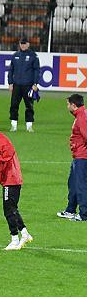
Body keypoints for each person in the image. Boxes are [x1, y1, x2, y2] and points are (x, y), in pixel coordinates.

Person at [0, 119, 33, 250]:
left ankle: (15, 239)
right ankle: (24, 234)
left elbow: (9, 152)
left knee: (8, 210)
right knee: (12, 209)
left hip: (11, 179)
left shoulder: (0, 139)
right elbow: (3, 154)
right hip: (10, 179)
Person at [58, 93, 87, 221]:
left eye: (68, 104)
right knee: (73, 184)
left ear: (74, 105)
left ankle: (84, 214)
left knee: (81, 185)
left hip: (82, 157)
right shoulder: (81, 115)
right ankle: (70, 210)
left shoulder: (81, 118)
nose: (67, 106)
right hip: (78, 155)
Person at [8, 37, 40, 132]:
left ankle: (29, 125)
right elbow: (11, 70)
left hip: (28, 85)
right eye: (21, 43)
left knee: (29, 105)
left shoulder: (33, 56)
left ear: (28, 44)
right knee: (14, 105)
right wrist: (10, 83)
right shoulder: (15, 55)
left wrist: (35, 83)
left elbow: (37, 70)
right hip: (17, 85)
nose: (23, 45)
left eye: (24, 43)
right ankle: (13, 125)